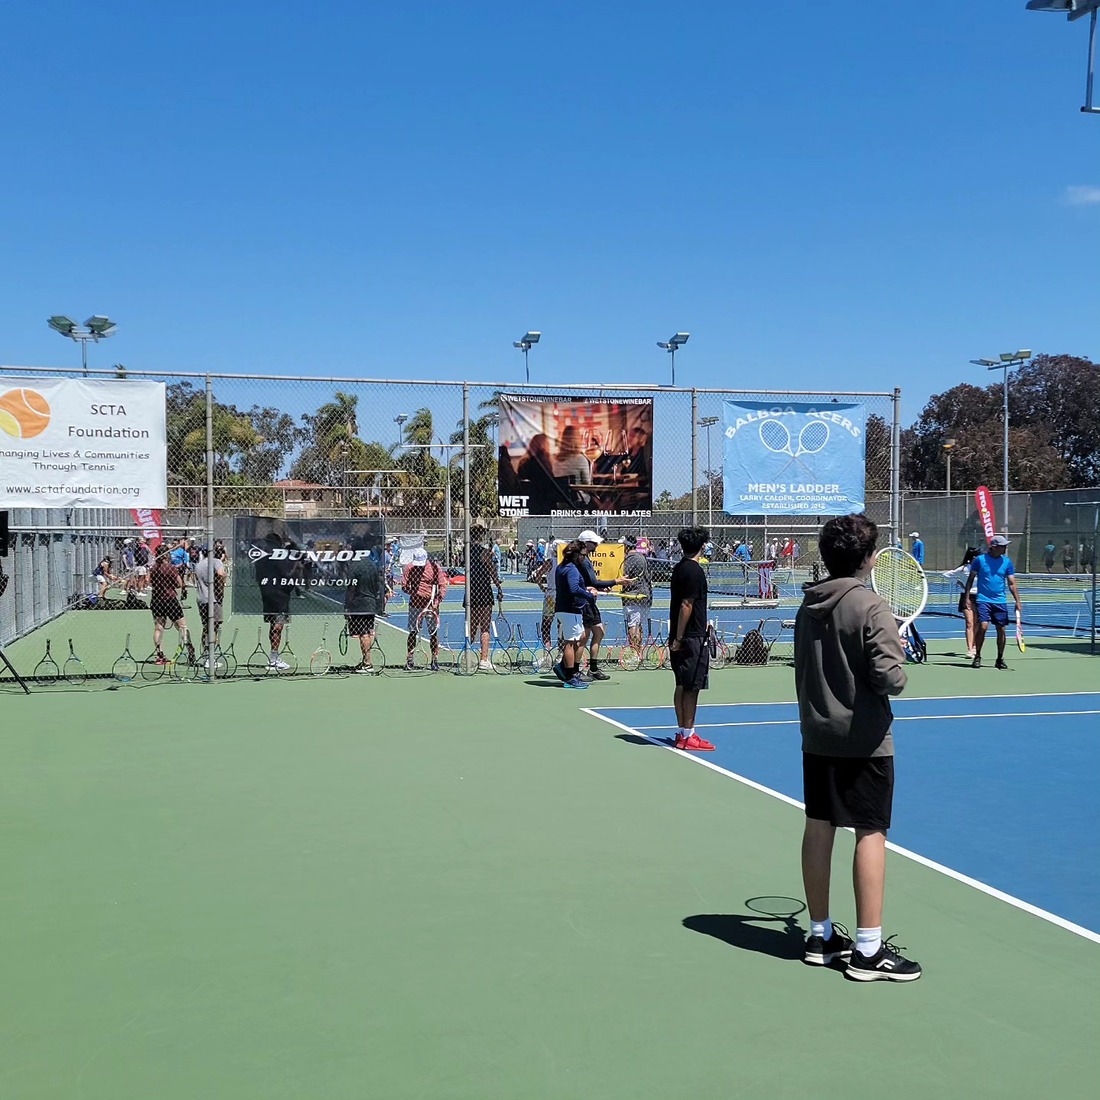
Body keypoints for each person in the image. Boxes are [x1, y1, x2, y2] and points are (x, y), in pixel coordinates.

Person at [794, 513, 919, 982]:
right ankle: (868, 951)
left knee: (819, 827)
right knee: (870, 833)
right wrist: (897, 658)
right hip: (864, 742)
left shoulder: (808, 606)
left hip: (817, 737)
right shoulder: (871, 607)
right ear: (868, 559)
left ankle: (820, 936)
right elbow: (890, 679)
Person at [668, 527, 714, 751]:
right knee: (691, 687)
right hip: (690, 638)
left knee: (681, 684)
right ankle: (689, 735)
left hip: (683, 637)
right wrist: (679, 637)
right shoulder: (695, 571)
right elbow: (687, 604)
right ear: (702, 546)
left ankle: (683, 732)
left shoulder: (679, 568)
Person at [576, 529, 629, 681]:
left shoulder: (585, 558)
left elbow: (592, 583)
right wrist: (615, 581)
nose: (597, 546)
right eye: (594, 543)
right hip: (584, 602)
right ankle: (575, 670)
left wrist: (600, 587)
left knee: (598, 632)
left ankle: (593, 669)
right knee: (584, 638)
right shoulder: (583, 560)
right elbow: (592, 582)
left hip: (590, 601)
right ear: (585, 544)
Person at [965, 535, 1022, 671]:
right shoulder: (979, 560)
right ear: (994, 547)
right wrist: (967, 597)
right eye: (1003, 546)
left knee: (1001, 629)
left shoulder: (1007, 562)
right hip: (983, 600)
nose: (1005, 548)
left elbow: (1012, 583)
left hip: (1000, 601)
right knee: (983, 626)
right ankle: (977, 655)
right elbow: (970, 580)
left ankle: (999, 659)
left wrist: (1018, 601)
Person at [553, 540, 595, 690]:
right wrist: (589, 595)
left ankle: (563, 668)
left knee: (580, 637)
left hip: (566, 609)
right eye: (583, 555)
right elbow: (574, 589)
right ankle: (570, 677)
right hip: (569, 609)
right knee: (570, 643)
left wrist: (586, 589)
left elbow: (575, 587)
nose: (584, 557)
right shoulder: (571, 569)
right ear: (576, 554)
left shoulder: (563, 567)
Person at [466, 524, 504, 672]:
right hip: (483, 592)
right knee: (485, 626)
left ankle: (468, 655)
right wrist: (499, 587)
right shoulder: (485, 553)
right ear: (480, 536)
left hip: (471, 591)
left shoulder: (466, 551)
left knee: (472, 624)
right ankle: (484, 659)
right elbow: (493, 572)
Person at [402, 547, 447, 671]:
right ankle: (410, 659)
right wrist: (414, 592)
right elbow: (404, 586)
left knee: (433, 633)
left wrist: (437, 602)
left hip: (431, 605)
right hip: (415, 605)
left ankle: (434, 659)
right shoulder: (409, 568)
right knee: (412, 632)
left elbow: (442, 585)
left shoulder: (434, 567)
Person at [345, 537, 386, 673]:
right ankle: (366, 661)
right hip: (370, 604)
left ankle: (368, 664)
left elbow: (351, 588)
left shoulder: (353, 566)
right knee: (367, 632)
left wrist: (347, 606)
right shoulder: (372, 565)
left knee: (363, 634)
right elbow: (377, 586)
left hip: (359, 605)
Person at [253, 532, 293, 671]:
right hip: (278, 596)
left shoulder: (262, 557)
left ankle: (273, 656)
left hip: (270, 595)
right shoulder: (276, 557)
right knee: (277, 626)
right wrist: (296, 568)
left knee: (274, 625)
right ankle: (274, 659)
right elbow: (288, 575)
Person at [149, 543, 193, 666]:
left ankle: (159, 655)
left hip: (157, 600)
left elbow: (150, 582)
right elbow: (179, 584)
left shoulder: (153, 569)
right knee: (182, 626)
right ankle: (189, 650)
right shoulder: (171, 568)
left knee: (159, 627)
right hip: (170, 600)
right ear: (166, 555)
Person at [941, 547, 980, 659]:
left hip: (979, 597)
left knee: (977, 624)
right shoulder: (964, 569)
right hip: (966, 597)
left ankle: (975, 647)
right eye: (978, 556)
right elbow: (947, 575)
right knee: (969, 622)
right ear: (973, 557)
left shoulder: (982, 568)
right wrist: (959, 583)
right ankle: (969, 649)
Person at [517, 433, 567, 514]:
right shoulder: (544, 462)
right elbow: (550, 485)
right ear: (544, 445)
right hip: (545, 506)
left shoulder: (523, 463)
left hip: (529, 506)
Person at [621, 534, 653, 658]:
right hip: (645, 595)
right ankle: (638, 652)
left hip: (633, 596)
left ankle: (634, 653)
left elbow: (624, 576)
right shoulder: (642, 557)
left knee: (632, 625)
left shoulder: (630, 559)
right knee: (638, 624)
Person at [552, 426, 592, 490]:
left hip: (560, 497)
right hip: (578, 497)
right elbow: (587, 484)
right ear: (577, 439)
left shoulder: (555, 460)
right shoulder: (580, 459)